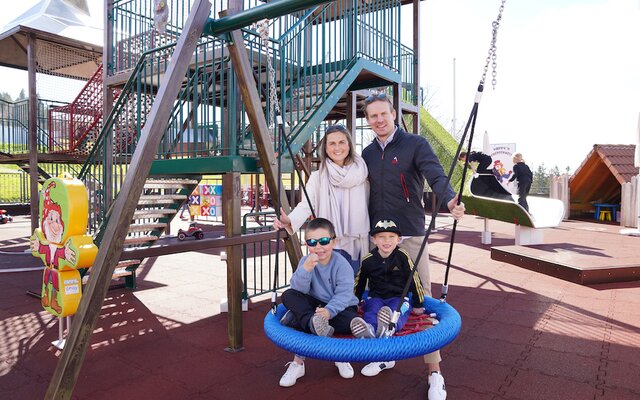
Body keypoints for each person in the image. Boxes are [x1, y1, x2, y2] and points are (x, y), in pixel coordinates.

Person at [361, 92, 465, 400]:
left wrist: (449, 198)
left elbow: (435, 173)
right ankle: (386, 352)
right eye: (372, 116)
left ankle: (434, 373)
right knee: (380, 298)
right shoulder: (366, 154)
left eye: (383, 114)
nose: (379, 119)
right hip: (378, 238)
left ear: (394, 114)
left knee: (421, 300)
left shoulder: (415, 144)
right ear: (368, 121)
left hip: (410, 234)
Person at [274, 125, 370, 275]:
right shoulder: (318, 177)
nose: (337, 147)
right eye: (332, 143)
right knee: (329, 286)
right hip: (329, 242)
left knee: (354, 288)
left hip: (356, 242)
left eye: (341, 142)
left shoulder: (362, 173)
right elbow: (306, 204)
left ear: (349, 145)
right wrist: (290, 220)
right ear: (325, 148)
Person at [278, 218, 360, 387]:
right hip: (315, 305)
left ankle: (339, 355)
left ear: (333, 241)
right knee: (288, 295)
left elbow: (344, 295)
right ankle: (299, 359)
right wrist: (306, 269)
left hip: (341, 306)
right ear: (306, 243)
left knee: (350, 322)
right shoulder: (306, 261)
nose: (318, 247)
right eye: (312, 242)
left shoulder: (341, 264)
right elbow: (297, 289)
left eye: (323, 241)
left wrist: (329, 311)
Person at [350, 219, 426, 376]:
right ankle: (371, 329)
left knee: (398, 311)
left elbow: (414, 279)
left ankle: (389, 327)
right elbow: (359, 281)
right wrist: (355, 302)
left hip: (398, 298)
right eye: (381, 237)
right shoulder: (368, 260)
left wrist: (419, 303)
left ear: (398, 240)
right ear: (373, 240)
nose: (386, 241)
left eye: (391, 237)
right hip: (376, 297)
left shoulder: (403, 256)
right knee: (371, 310)